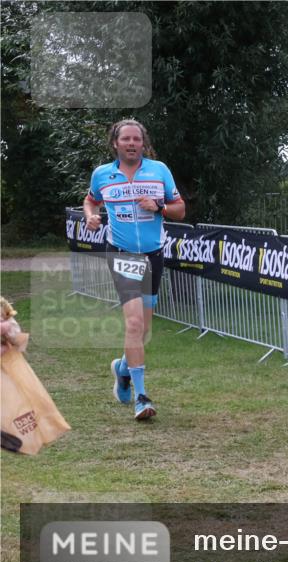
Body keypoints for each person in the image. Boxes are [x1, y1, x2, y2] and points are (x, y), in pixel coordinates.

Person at [83, 119, 185, 420]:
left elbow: (180, 208)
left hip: (152, 254)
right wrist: (91, 216)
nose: (131, 143)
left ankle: (123, 369)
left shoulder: (159, 170)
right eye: (125, 139)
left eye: (136, 139)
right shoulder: (103, 174)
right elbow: (90, 201)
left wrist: (160, 207)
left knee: (145, 330)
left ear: (143, 143)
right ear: (115, 143)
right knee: (134, 325)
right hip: (122, 253)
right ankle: (142, 397)